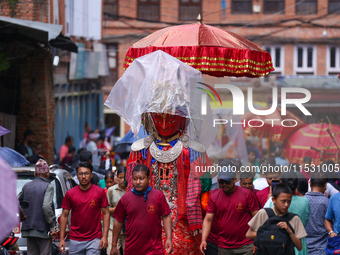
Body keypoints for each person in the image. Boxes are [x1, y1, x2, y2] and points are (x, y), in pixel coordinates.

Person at [110, 164, 173, 255]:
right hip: (132, 250)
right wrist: (114, 245)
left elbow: (166, 217)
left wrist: (169, 239)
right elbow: (118, 222)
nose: (138, 182)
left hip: (154, 249)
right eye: (135, 179)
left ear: (149, 179)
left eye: (141, 178)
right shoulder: (125, 198)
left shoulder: (158, 196)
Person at [200, 166, 259, 255]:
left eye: (227, 181)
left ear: (235, 180)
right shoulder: (214, 197)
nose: (224, 184)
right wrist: (204, 240)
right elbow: (208, 219)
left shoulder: (247, 194)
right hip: (224, 246)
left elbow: (256, 217)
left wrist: (257, 240)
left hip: (246, 245)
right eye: (221, 181)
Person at [58, 162, 110, 254]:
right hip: (75, 240)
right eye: (81, 174)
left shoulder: (99, 192)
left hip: (94, 239)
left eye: (86, 173)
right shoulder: (70, 193)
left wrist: (105, 236)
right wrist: (62, 239)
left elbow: (106, 214)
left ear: (91, 175)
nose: (83, 176)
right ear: (77, 176)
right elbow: (64, 216)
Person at [246, 183, 307, 255]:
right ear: (273, 200)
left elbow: (299, 247)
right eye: (283, 201)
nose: (286, 205)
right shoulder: (264, 213)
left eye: (289, 201)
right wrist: (271, 233)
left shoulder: (294, 218)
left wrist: (289, 231)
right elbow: (248, 234)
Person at [266, 171, 310, 255]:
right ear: (297, 184)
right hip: (299, 242)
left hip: (279, 242)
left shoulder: (273, 201)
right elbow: (305, 221)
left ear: (281, 183)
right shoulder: (304, 201)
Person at [19, 159, 56, 255]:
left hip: (28, 229)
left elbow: (15, 201)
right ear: (47, 174)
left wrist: (21, 215)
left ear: (35, 174)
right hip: (42, 229)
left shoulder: (26, 186)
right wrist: (52, 227)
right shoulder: (48, 186)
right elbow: (47, 207)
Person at [304, 172, 329, 255]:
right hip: (322, 249)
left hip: (304, 248)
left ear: (310, 183)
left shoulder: (302, 201)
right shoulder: (327, 203)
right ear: (325, 185)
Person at [107, 166, 127, 255]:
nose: (123, 180)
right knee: (112, 251)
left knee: (128, 251)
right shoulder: (111, 190)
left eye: (125, 177)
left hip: (127, 226)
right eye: (120, 177)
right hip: (113, 225)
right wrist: (118, 209)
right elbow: (106, 209)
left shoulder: (131, 190)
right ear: (117, 177)